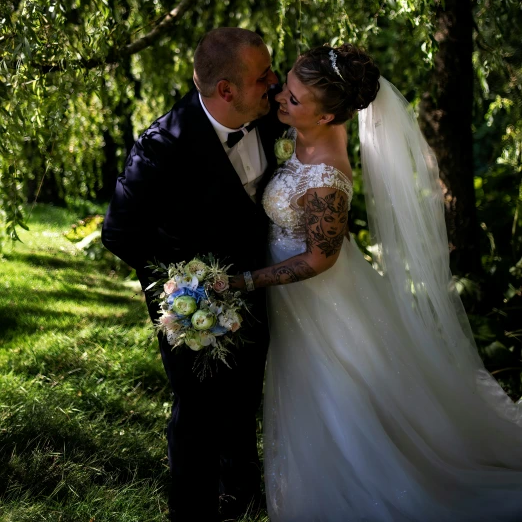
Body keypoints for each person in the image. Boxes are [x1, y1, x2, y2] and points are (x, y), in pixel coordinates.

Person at [230, 43, 522, 522]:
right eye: (285, 84)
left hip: (319, 300)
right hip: (299, 301)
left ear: (327, 119)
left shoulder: (327, 176)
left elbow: (320, 259)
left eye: (295, 100)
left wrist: (245, 281)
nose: (281, 97)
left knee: (332, 395)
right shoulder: (308, 122)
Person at [101, 27, 282, 522]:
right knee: (198, 412)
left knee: (245, 401)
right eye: (264, 74)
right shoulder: (163, 146)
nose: (276, 81)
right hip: (193, 306)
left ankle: (240, 499)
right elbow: (119, 232)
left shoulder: (267, 118)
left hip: (259, 290)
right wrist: (186, 286)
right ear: (226, 90)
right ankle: (192, 510)